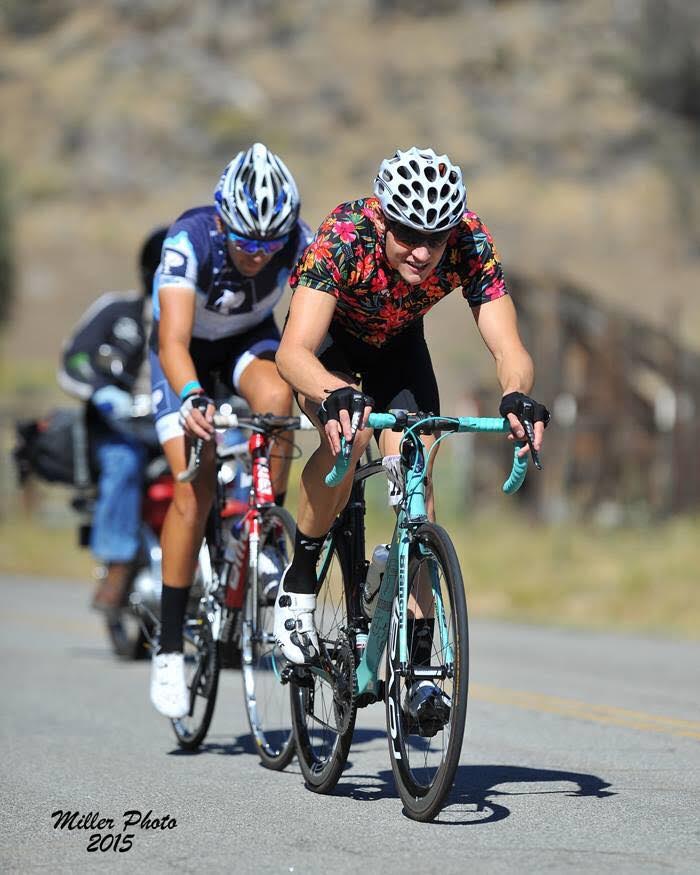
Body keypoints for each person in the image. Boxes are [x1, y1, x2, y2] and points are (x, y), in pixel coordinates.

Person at [274, 146, 550, 727]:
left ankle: (421, 666)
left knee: (416, 473)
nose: (423, 253)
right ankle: (299, 580)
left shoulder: (470, 241)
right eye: (407, 236)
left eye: (436, 238)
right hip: (330, 350)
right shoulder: (345, 235)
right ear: (382, 219)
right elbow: (293, 353)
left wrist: (516, 396)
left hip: (399, 352)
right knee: (347, 442)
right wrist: (333, 393)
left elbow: (510, 347)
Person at [149, 142, 312, 719]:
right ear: (223, 221)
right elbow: (172, 341)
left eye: (270, 245)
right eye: (247, 242)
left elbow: (319, 319)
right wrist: (193, 397)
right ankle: (170, 648)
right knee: (192, 491)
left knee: (279, 398)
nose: (258, 256)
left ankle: (267, 526)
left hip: (246, 341)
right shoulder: (188, 239)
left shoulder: (298, 241)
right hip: (185, 355)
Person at [58, 226, 169, 611]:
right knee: (124, 461)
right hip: (121, 430)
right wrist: (103, 393)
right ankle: (118, 565)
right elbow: (75, 360)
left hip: (178, 427)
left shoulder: (207, 323)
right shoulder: (116, 311)